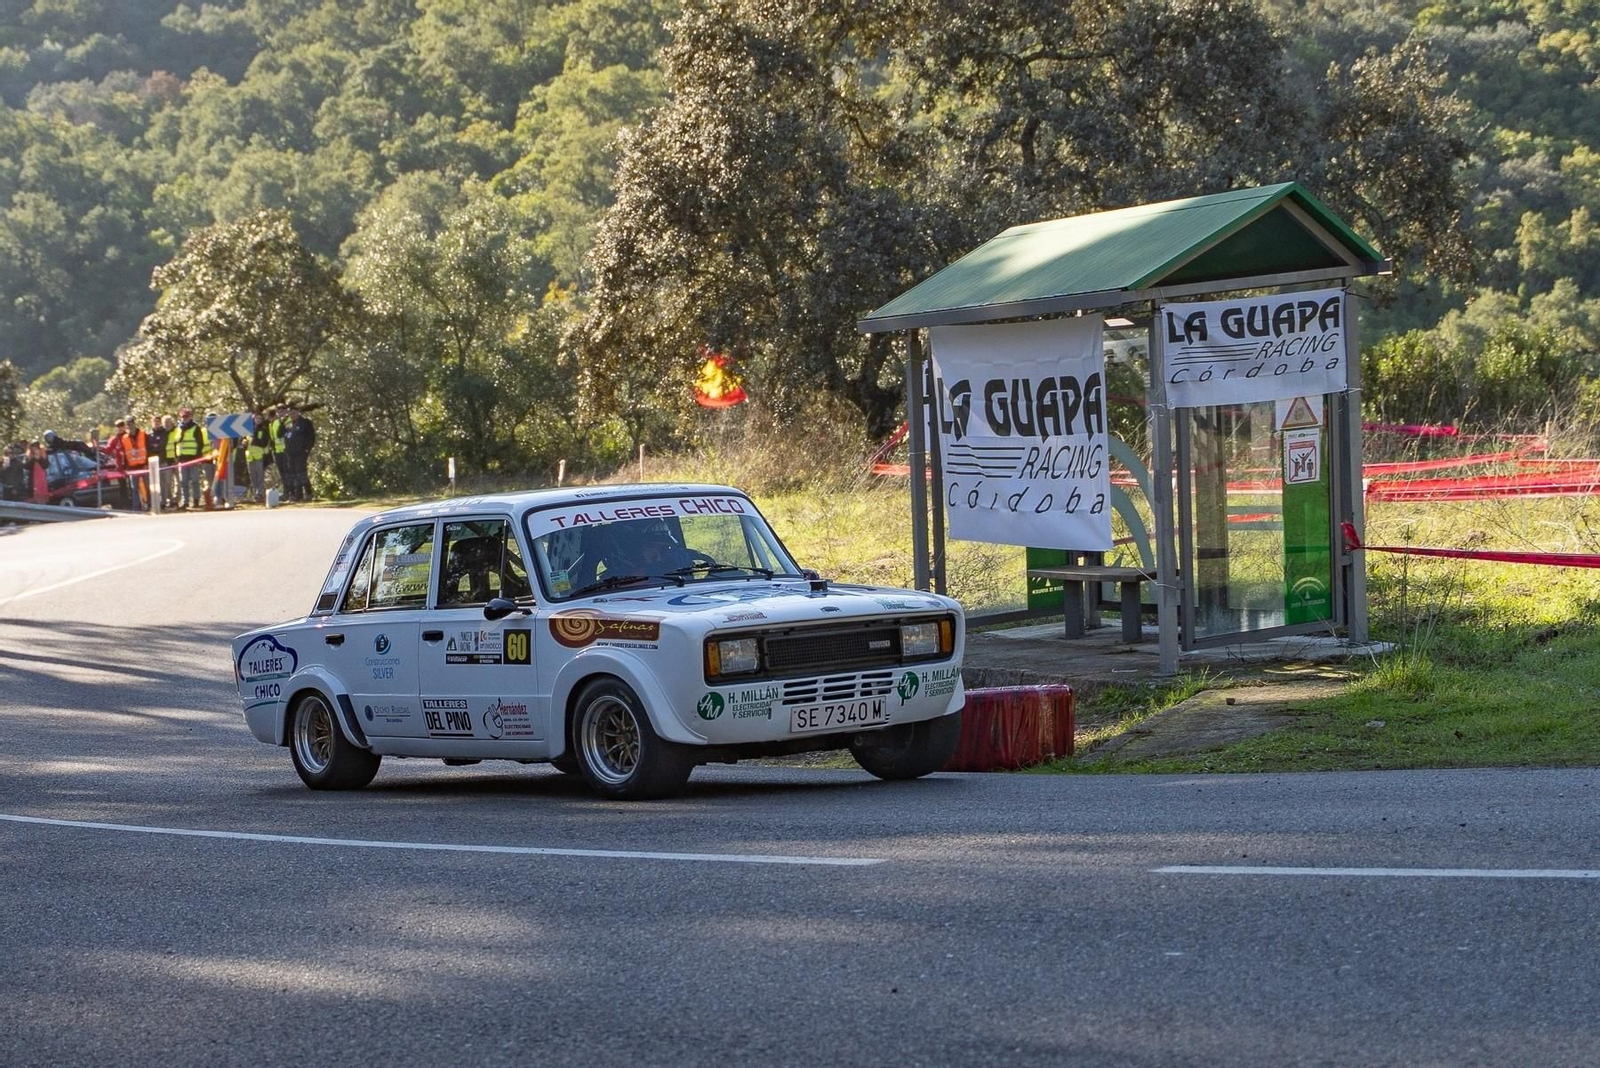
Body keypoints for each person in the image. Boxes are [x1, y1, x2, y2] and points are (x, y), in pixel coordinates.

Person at [169, 407, 208, 509]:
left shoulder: (195, 428)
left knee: (195, 480)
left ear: (190, 417)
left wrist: (198, 457)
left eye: (186, 416)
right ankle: (185, 502)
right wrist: (176, 457)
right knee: (183, 482)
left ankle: (196, 500)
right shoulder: (178, 428)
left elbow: (200, 444)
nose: (184, 418)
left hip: (193, 458)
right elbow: (175, 443)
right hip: (182, 459)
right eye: (183, 417)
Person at [110, 417, 151, 511]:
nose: (130, 426)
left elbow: (148, 448)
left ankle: (149, 504)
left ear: (134, 423)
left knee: (146, 486)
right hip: (132, 467)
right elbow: (124, 453)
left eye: (131, 423)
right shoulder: (124, 438)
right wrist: (125, 466)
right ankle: (136, 507)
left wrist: (148, 462)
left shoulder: (142, 433)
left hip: (143, 465)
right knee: (134, 489)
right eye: (128, 424)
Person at [283, 406, 316, 502]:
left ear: (298, 412)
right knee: (293, 474)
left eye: (293, 413)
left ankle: (308, 493)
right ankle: (296, 495)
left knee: (301, 472)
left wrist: (307, 449)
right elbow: (281, 433)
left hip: (301, 452)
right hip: (290, 453)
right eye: (290, 414)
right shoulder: (288, 425)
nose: (292, 415)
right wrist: (283, 421)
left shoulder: (305, 423)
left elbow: (311, 437)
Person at [246, 413, 272, 503]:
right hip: (250, 456)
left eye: (260, 418)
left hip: (259, 456)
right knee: (253, 476)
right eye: (256, 418)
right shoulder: (249, 430)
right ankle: (255, 493)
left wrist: (254, 440)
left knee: (260, 475)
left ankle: (260, 493)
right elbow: (246, 441)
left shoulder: (264, 429)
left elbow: (264, 442)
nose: (258, 420)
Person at [159, 415, 179, 508]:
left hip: (177, 459)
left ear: (172, 422)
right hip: (167, 461)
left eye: (168, 421)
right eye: (165, 422)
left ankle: (177, 500)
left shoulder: (177, 430)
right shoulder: (162, 433)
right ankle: (170, 500)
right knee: (168, 482)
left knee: (179, 482)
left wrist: (177, 457)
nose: (167, 424)